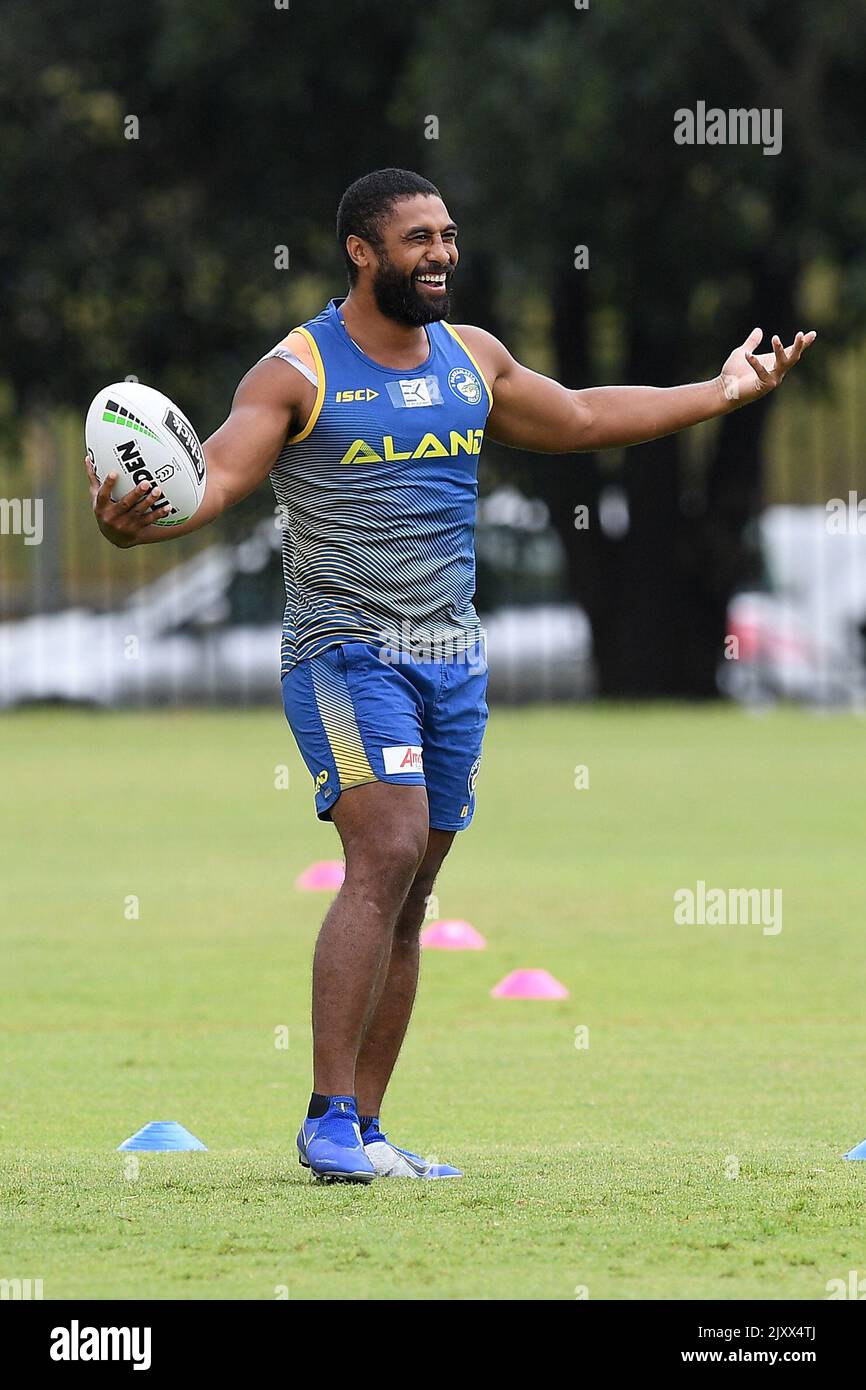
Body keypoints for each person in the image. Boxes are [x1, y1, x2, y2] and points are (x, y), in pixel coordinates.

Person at [87, 167, 816, 1182]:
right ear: (361, 251)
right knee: (382, 847)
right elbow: (214, 479)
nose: (440, 254)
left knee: (413, 887)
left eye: (447, 235)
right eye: (417, 238)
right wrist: (141, 523)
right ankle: (325, 1116)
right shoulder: (295, 371)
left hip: (449, 662)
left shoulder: (470, 359)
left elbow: (581, 417)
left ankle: (366, 1134)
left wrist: (721, 389)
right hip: (341, 653)